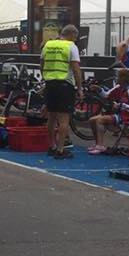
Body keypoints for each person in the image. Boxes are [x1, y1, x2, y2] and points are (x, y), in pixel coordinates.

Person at [41, 24, 83, 159]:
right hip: (65, 85)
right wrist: (79, 87)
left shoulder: (48, 45)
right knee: (64, 119)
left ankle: (51, 146)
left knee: (51, 118)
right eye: (75, 38)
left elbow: (41, 64)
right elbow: (76, 69)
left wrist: (46, 78)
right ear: (72, 35)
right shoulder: (71, 46)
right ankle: (60, 149)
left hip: (50, 83)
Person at [87, 67, 129, 154]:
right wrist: (99, 89)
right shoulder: (118, 87)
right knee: (92, 120)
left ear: (123, 78)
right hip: (118, 113)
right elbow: (106, 95)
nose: (116, 78)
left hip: (128, 115)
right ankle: (98, 144)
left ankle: (100, 146)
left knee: (99, 120)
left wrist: (121, 106)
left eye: (117, 76)